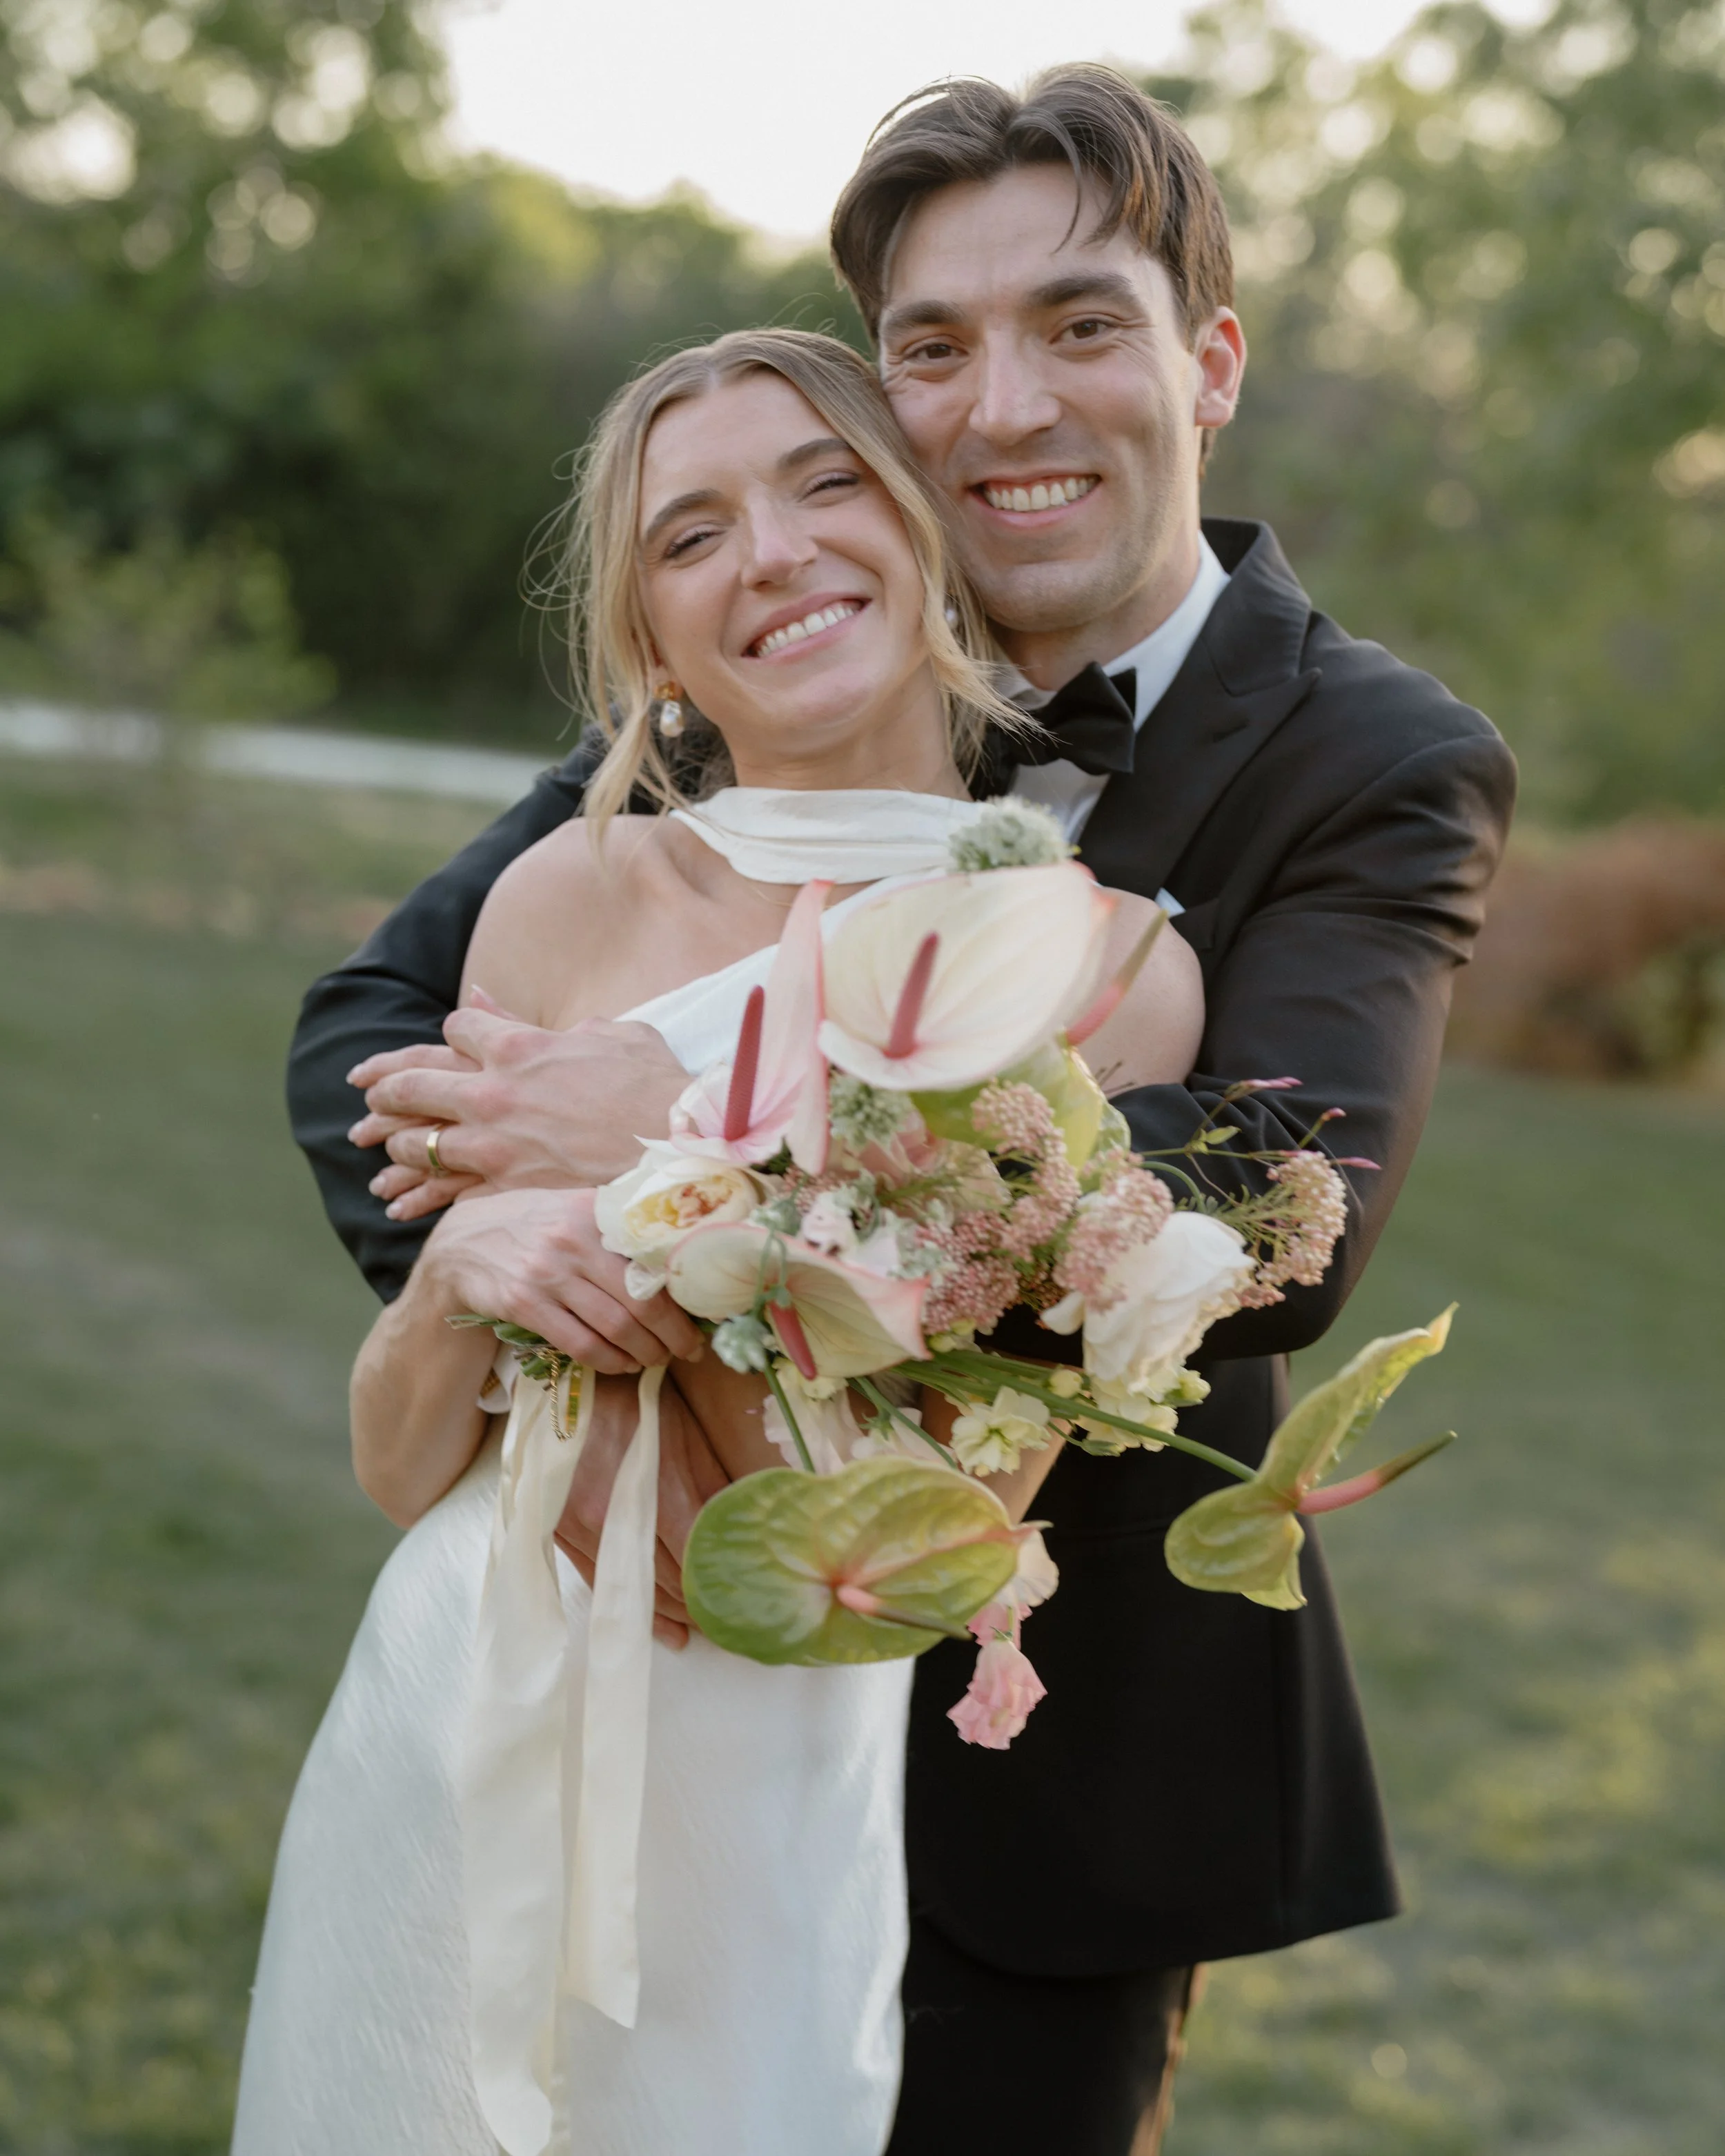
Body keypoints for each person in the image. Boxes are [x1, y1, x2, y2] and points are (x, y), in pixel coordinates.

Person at [287, 66, 1517, 2156]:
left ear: (1206, 361)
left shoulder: (1372, 754)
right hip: (610, 1684)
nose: (1005, 408)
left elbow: (1271, 1192)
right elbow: (374, 1030)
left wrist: (682, 1130)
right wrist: (530, 1275)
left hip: (1049, 1758)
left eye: (1079, 326)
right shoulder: (750, 688)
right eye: (932, 350)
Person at [235, 328, 1205, 2154]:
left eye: (824, 481)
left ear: (924, 525)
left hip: (773, 1766)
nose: (770, 551)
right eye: (690, 534)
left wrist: (698, 1210)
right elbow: (401, 1466)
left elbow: (944, 1525)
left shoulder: (1103, 967)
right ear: (647, 643)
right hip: (462, 1693)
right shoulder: (564, 894)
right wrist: (454, 1281)